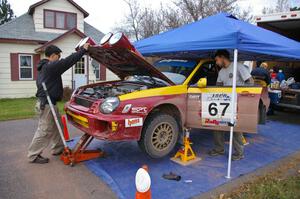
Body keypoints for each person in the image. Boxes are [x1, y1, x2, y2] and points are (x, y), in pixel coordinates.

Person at [27, 43, 90, 164]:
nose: (59, 59)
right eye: (58, 56)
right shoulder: (49, 66)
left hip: (49, 102)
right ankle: (33, 155)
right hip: (46, 103)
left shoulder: (45, 67)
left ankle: (58, 148)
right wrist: (83, 51)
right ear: (53, 55)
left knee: (57, 126)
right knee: (44, 130)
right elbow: (67, 62)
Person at [208, 50, 254, 161]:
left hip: (237, 102)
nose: (216, 63)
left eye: (217, 60)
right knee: (217, 125)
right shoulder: (221, 72)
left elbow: (251, 82)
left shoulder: (238, 67)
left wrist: (242, 94)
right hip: (224, 102)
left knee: (236, 128)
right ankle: (219, 149)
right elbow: (218, 87)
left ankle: (239, 153)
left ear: (222, 57)